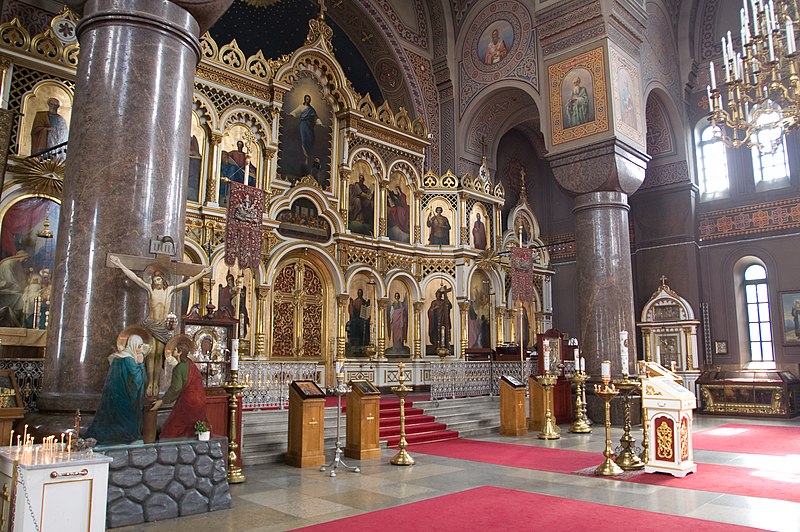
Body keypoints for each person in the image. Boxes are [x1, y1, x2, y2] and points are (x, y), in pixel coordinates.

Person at [109, 255, 211, 396]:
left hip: (163, 327)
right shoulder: (150, 290)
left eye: (158, 279)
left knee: (159, 354)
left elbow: (186, 284)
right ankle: (150, 383)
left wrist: (201, 274)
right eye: (154, 280)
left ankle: (156, 381)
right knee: (151, 354)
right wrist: (120, 264)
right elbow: (135, 278)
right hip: (151, 324)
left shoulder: (169, 291)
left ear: (163, 280)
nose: (155, 281)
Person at [85, 334, 150, 444]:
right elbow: (136, 380)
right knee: (129, 429)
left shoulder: (120, 356)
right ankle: (99, 438)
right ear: (133, 345)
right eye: (139, 346)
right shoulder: (129, 359)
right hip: (123, 396)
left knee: (116, 421)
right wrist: (140, 364)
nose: (140, 349)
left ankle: (96, 438)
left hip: (114, 395)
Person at [150, 335, 207, 439]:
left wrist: (162, 401)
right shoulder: (191, 364)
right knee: (193, 430)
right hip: (199, 400)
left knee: (174, 429)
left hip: (188, 402)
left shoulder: (179, 368)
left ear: (180, 352)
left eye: (175, 349)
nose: (173, 351)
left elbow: (176, 388)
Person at [289, 94, 324, 170]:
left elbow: (315, 117)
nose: (307, 100)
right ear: (305, 99)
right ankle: (305, 156)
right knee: (304, 140)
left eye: (308, 99)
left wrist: (320, 123)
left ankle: (308, 158)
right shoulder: (301, 107)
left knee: (310, 141)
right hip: (303, 125)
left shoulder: (311, 109)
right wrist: (291, 115)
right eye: (306, 99)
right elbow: (295, 112)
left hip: (310, 127)